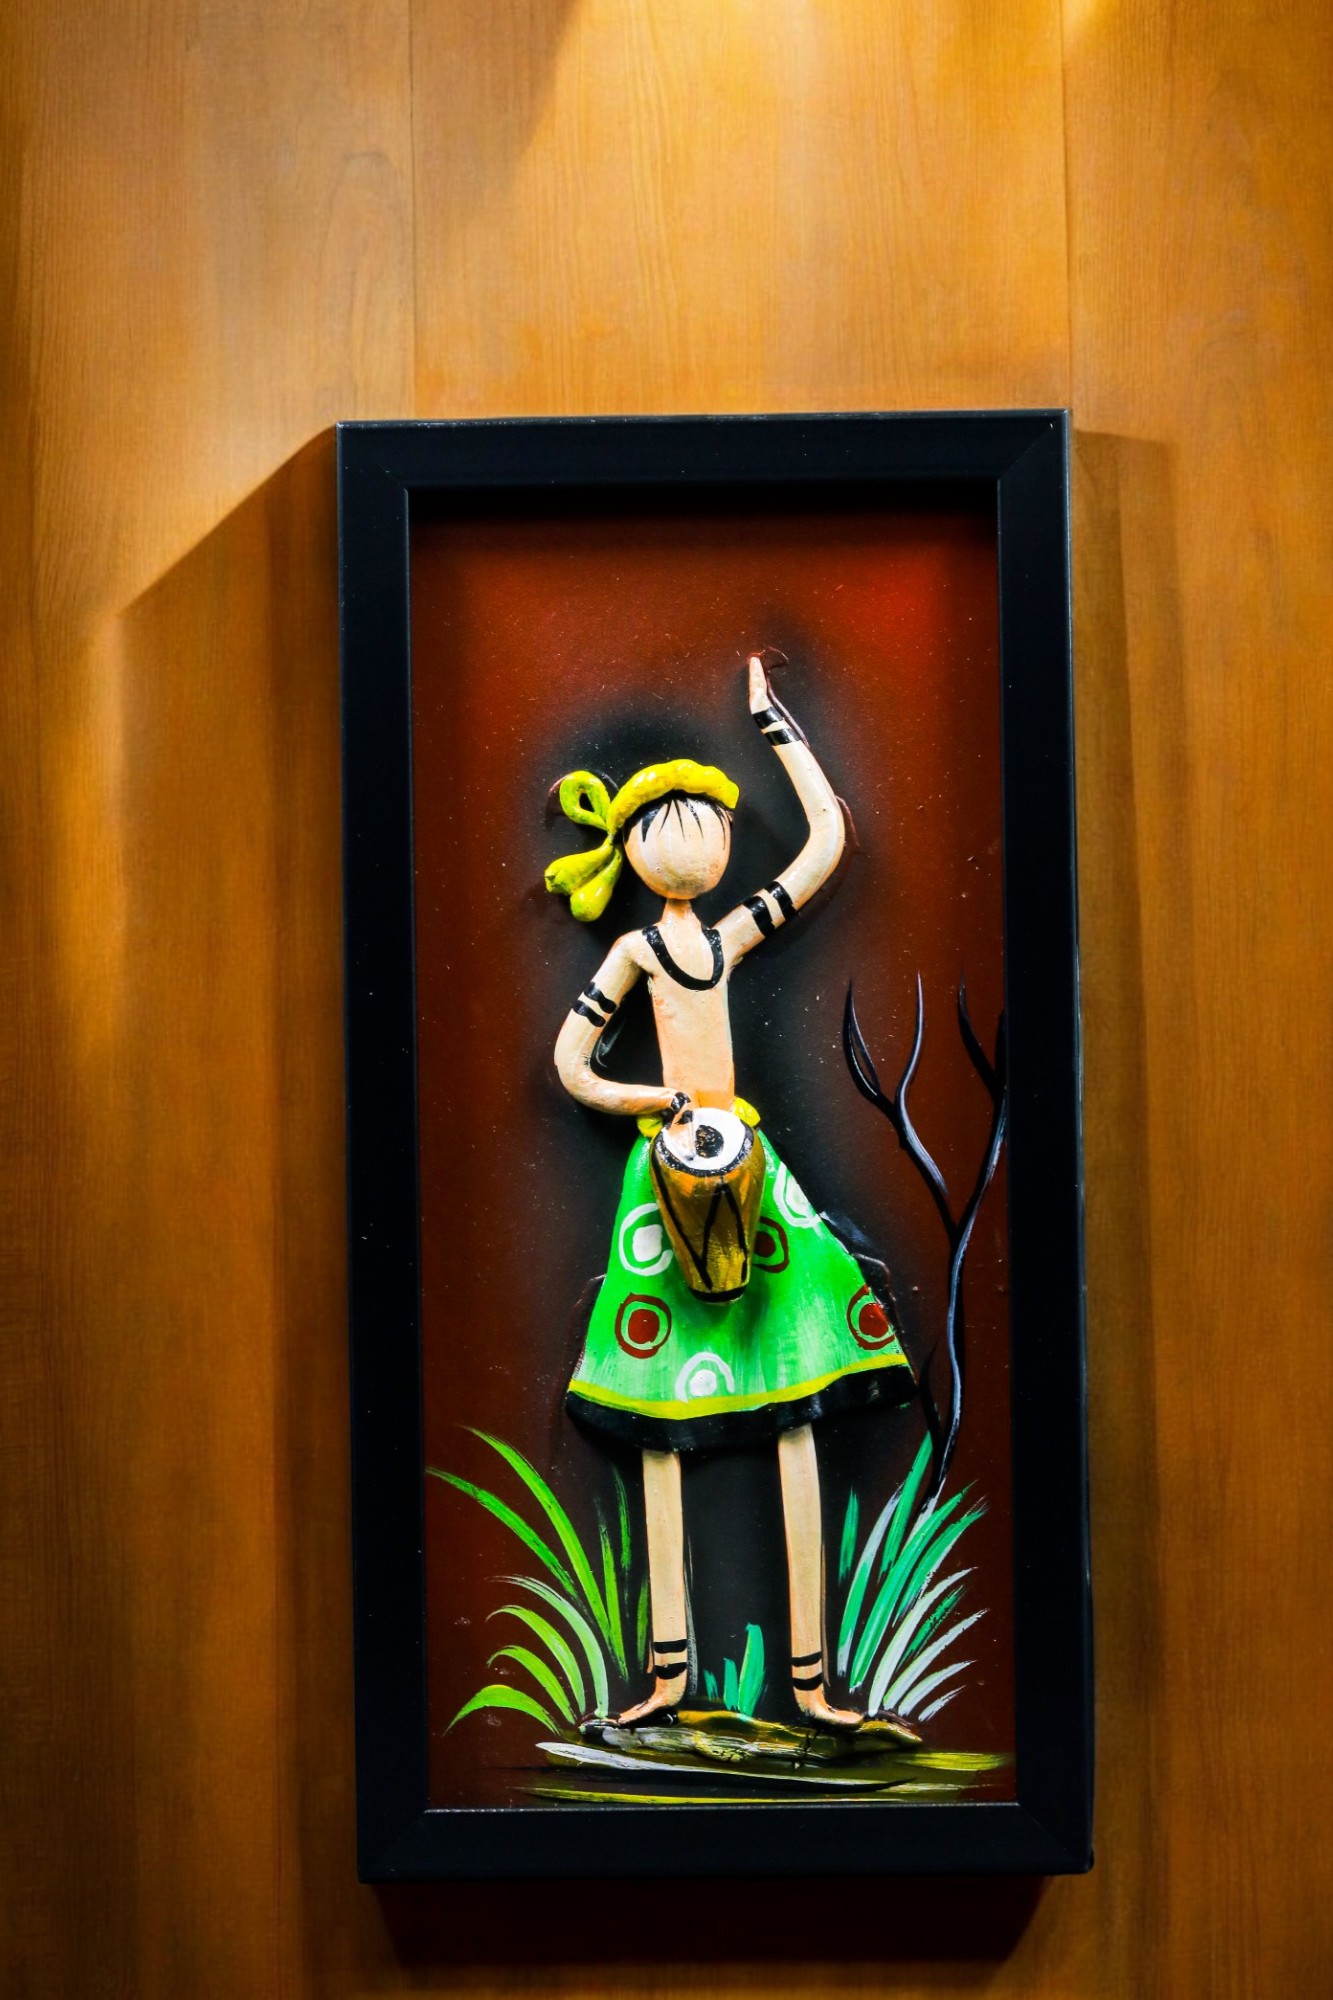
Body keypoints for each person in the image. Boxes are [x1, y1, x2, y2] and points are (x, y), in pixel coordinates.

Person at [546, 652, 915, 1729]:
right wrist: (654, 1099)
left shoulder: (728, 933)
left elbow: (824, 844)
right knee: (658, 1414)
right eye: (673, 824)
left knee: (797, 1391)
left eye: (707, 822)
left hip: (749, 1176)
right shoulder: (634, 952)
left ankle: (809, 1681)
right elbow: (569, 1061)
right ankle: (669, 1676)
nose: (697, 841)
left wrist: (775, 729)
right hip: (666, 1183)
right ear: (632, 845)